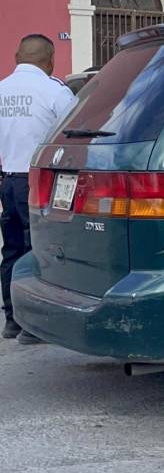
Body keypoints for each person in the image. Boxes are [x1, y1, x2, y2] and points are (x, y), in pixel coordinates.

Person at [0, 34, 78, 344]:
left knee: (12, 250)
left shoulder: (1, 90)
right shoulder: (54, 91)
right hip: (41, 182)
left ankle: (11, 320)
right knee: (40, 251)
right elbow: (74, 135)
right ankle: (35, 327)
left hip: (8, 180)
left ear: (17, 57)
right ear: (50, 61)